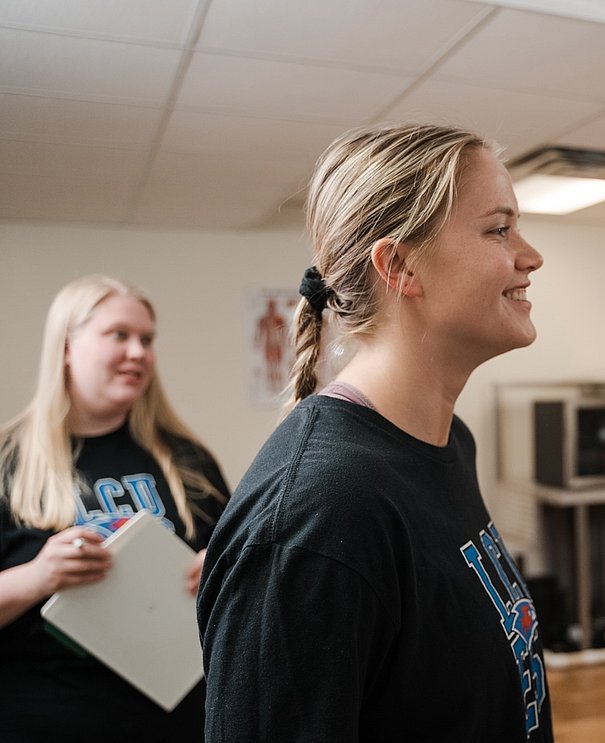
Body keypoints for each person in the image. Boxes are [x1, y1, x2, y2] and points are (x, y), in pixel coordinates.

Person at [198, 123, 553, 742]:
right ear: (399, 265)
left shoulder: (448, 443)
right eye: (498, 229)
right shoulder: (319, 514)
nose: (530, 255)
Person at [0, 275, 230, 743]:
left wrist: (224, 570)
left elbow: (245, 572)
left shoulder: (186, 461)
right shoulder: (10, 461)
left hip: (178, 717)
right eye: (119, 335)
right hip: (49, 716)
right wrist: (38, 575)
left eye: (146, 339)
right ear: (67, 346)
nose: (138, 353)